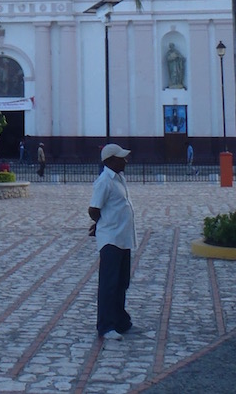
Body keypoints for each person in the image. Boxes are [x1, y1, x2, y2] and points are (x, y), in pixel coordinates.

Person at [88, 143, 136, 341]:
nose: (125, 161)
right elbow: (94, 209)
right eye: (120, 158)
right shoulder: (104, 181)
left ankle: (121, 321)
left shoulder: (119, 179)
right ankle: (106, 326)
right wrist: (101, 224)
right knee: (109, 283)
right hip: (111, 239)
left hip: (123, 237)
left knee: (122, 282)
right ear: (109, 161)